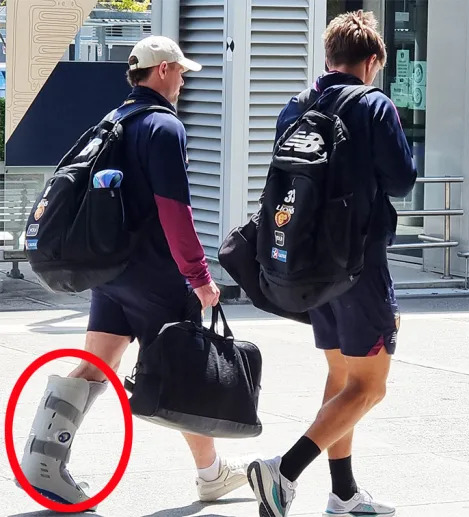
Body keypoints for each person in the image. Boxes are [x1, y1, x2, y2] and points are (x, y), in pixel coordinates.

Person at [18, 35, 247, 508]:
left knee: (97, 365)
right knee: (183, 368)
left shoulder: (115, 118)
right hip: (153, 273)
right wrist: (199, 276)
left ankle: (42, 459)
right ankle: (211, 475)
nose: (184, 80)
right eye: (181, 71)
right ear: (161, 70)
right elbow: (175, 211)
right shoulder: (163, 126)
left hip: (111, 272)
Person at [246, 11, 417, 517]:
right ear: (370, 62)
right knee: (370, 386)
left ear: (327, 56)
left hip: (308, 262)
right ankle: (285, 470)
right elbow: (402, 181)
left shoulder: (295, 106)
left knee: (342, 375)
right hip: (359, 263)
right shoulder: (373, 105)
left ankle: (343, 493)